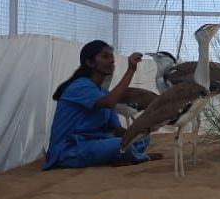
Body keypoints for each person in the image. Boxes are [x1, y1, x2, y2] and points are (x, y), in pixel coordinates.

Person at [44, 40, 158, 169]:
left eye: (112, 56)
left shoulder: (102, 92)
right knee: (119, 145)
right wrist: (131, 70)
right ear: (90, 62)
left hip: (95, 142)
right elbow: (110, 102)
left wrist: (137, 132)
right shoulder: (79, 86)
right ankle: (136, 157)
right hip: (70, 150)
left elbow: (116, 130)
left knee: (142, 138)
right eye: (105, 57)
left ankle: (123, 155)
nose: (112, 60)